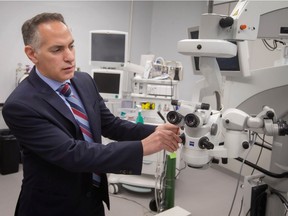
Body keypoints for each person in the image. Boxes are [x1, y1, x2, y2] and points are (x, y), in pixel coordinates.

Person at [2, 12, 181, 216]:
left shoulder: (83, 81)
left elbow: (111, 124)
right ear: (32, 54)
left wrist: (157, 130)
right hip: (52, 206)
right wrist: (142, 147)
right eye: (57, 49)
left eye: (71, 45)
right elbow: (73, 154)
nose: (69, 56)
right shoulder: (20, 105)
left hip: (92, 198)